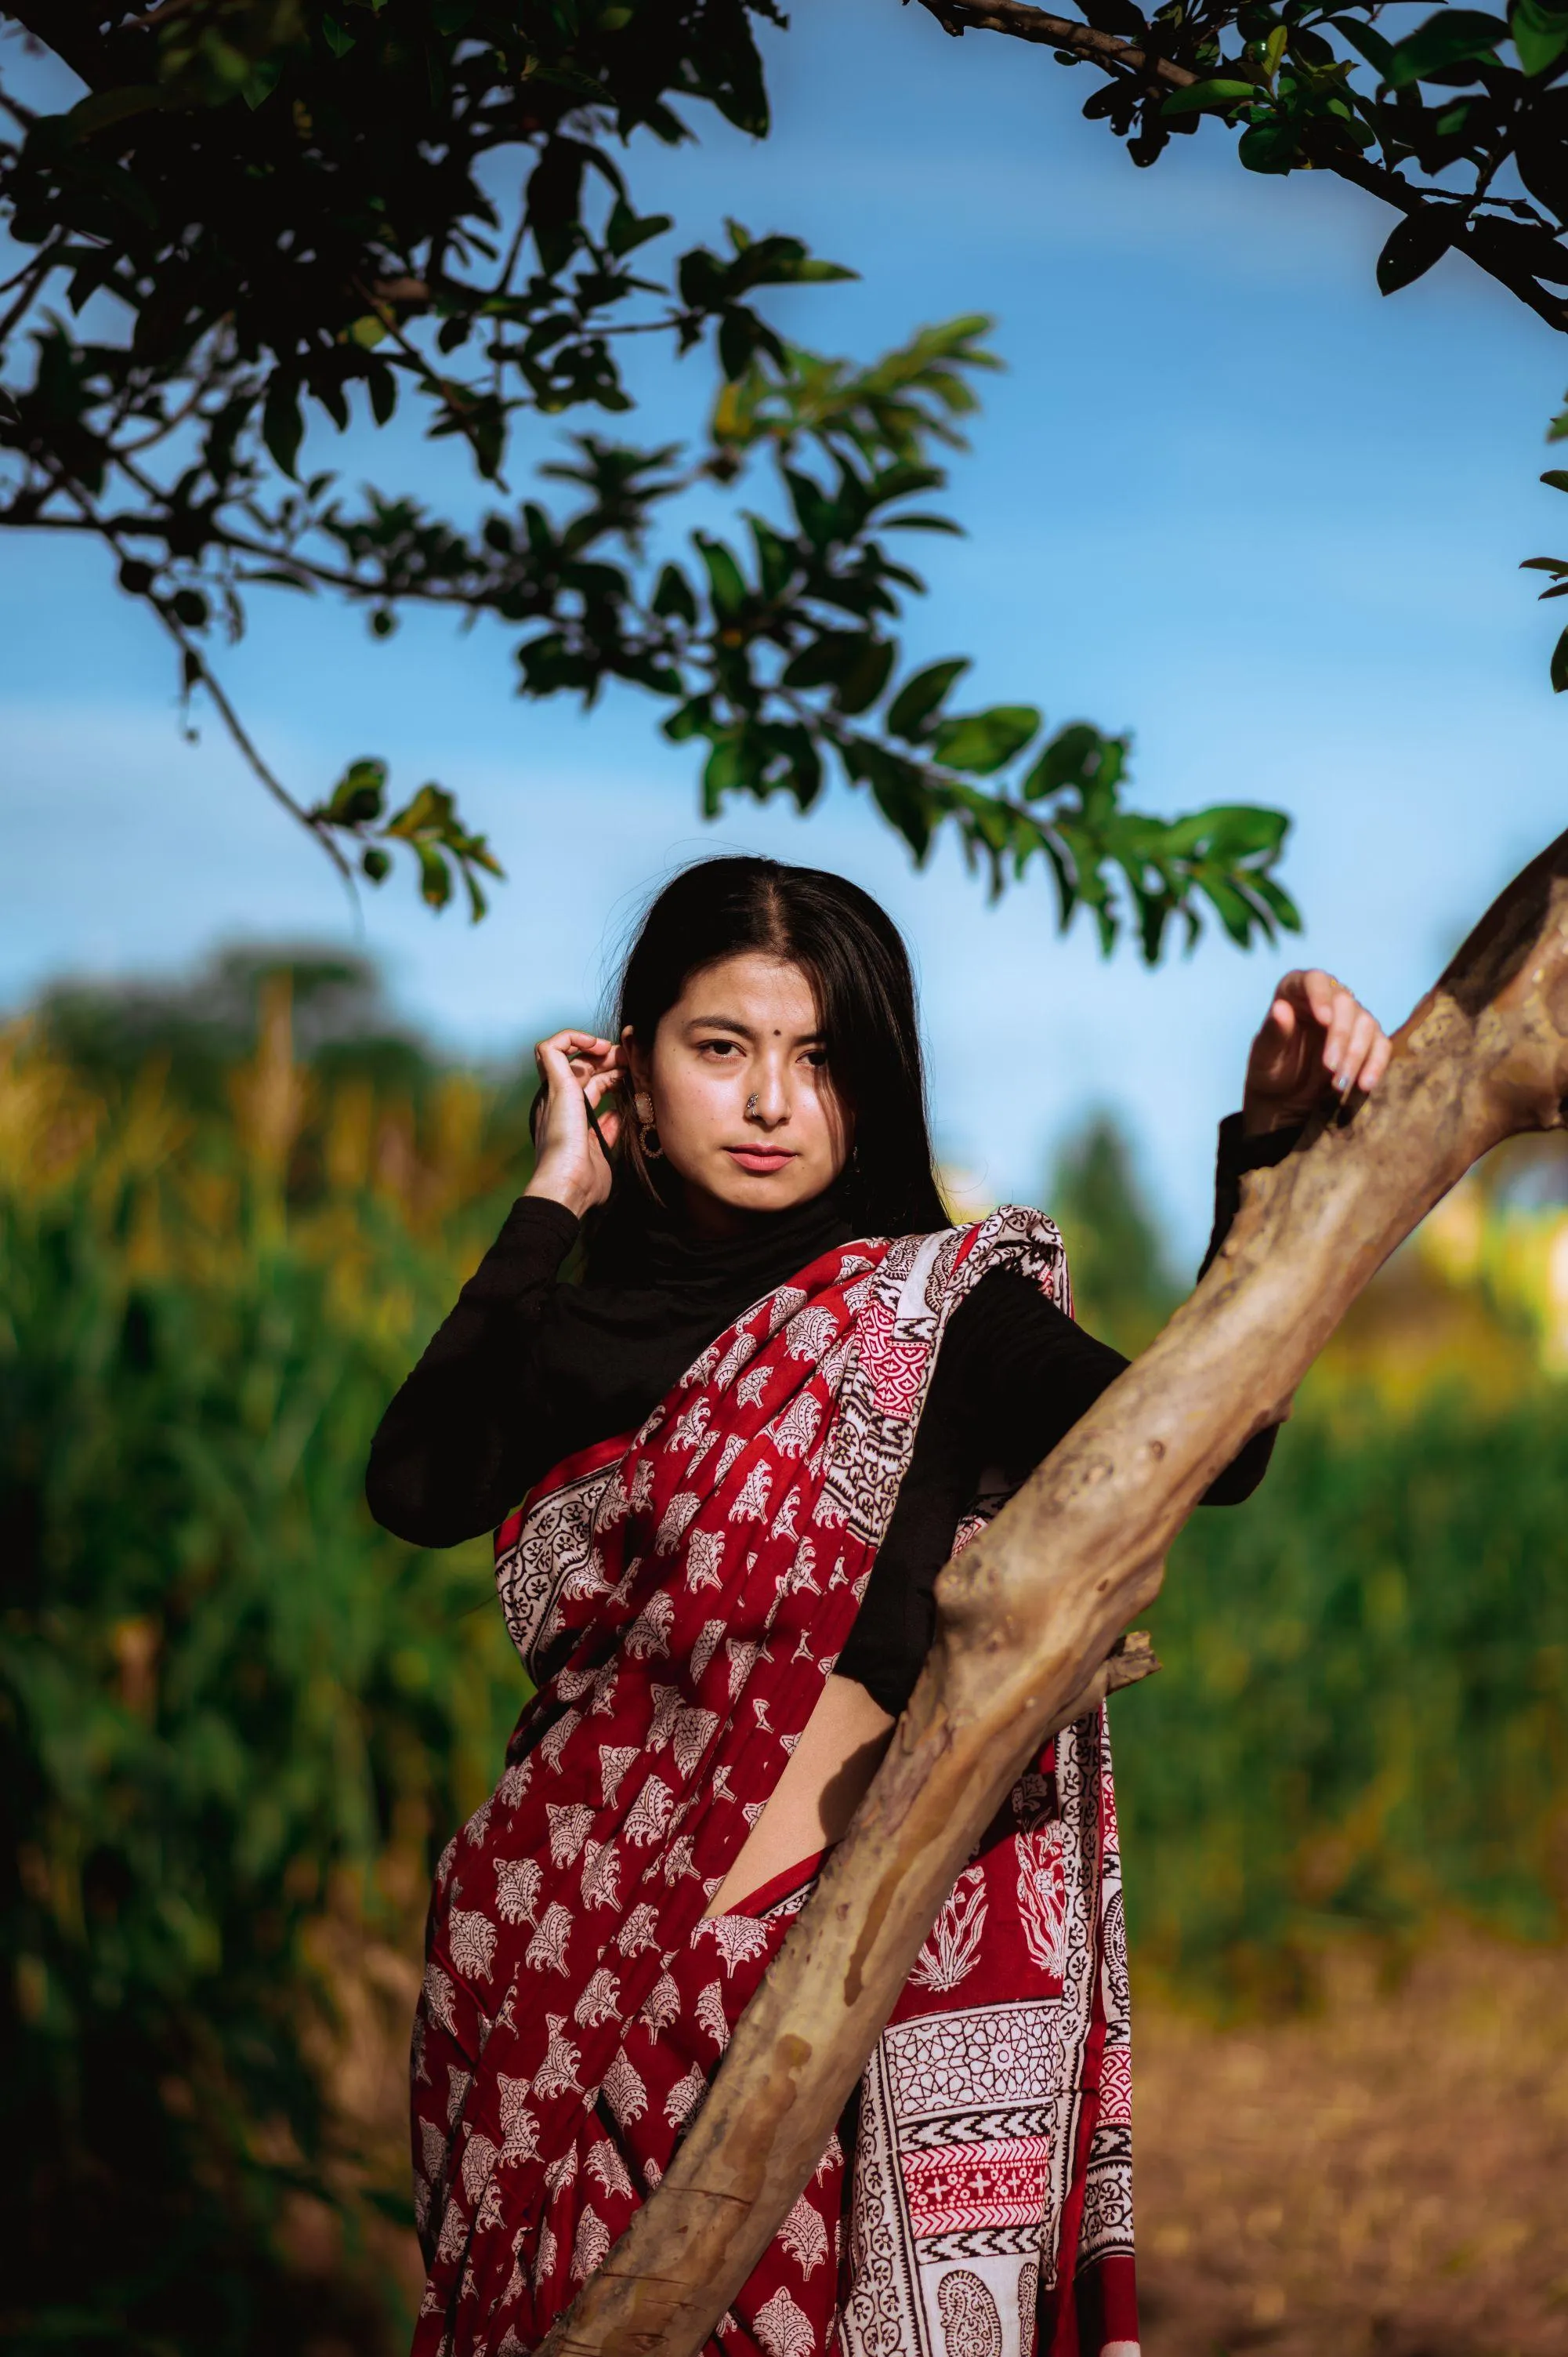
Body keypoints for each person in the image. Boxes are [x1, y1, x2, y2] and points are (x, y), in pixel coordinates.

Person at [367, 856, 1391, 2357]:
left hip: (838, 2000)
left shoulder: (934, 1310)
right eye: (721, 1048)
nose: (773, 1099)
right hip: (551, 1997)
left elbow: (1203, 1441)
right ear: (632, 1072)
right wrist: (552, 1193)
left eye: (822, 1056)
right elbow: (419, 1480)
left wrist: (1277, 1157)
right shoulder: (572, 1329)